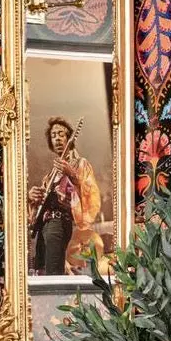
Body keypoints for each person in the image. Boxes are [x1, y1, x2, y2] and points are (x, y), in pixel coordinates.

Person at [28, 116, 101, 275]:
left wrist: (71, 174)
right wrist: (31, 197)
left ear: (69, 139)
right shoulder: (49, 176)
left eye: (61, 134)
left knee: (53, 271)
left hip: (59, 222)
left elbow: (91, 193)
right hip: (44, 226)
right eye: (53, 135)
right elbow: (37, 208)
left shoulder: (80, 164)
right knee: (42, 270)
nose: (57, 139)